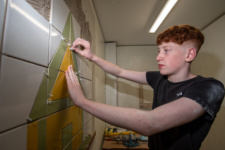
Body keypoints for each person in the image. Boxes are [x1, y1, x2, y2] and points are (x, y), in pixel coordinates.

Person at [65, 25, 224, 150]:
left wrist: (82, 101)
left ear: (189, 55)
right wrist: (92, 57)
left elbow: (150, 123)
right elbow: (120, 72)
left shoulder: (209, 88)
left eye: (166, 50)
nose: (158, 56)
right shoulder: (159, 79)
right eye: (158, 50)